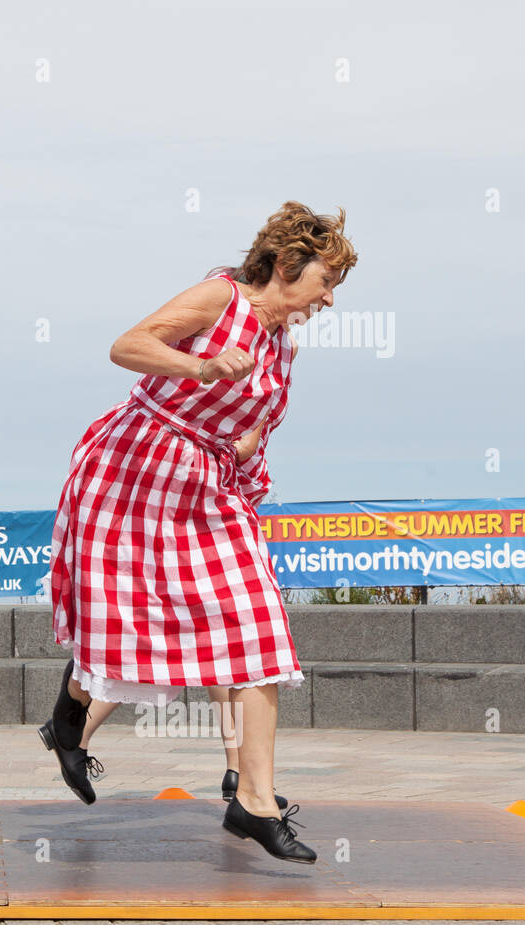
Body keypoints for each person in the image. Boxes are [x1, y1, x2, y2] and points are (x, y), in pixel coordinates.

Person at [45, 201, 357, 863]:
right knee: (123, 620)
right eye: (325, 280)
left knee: (258, 627)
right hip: (134, 466)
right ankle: (68, 720)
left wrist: (242, 450)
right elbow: (127, 345)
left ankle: (254, 802)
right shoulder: (222, 299)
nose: (330, 297)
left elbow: (257, 421)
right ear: (283, 264)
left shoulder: (282, 345)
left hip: (209, 482)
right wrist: (201, 367)